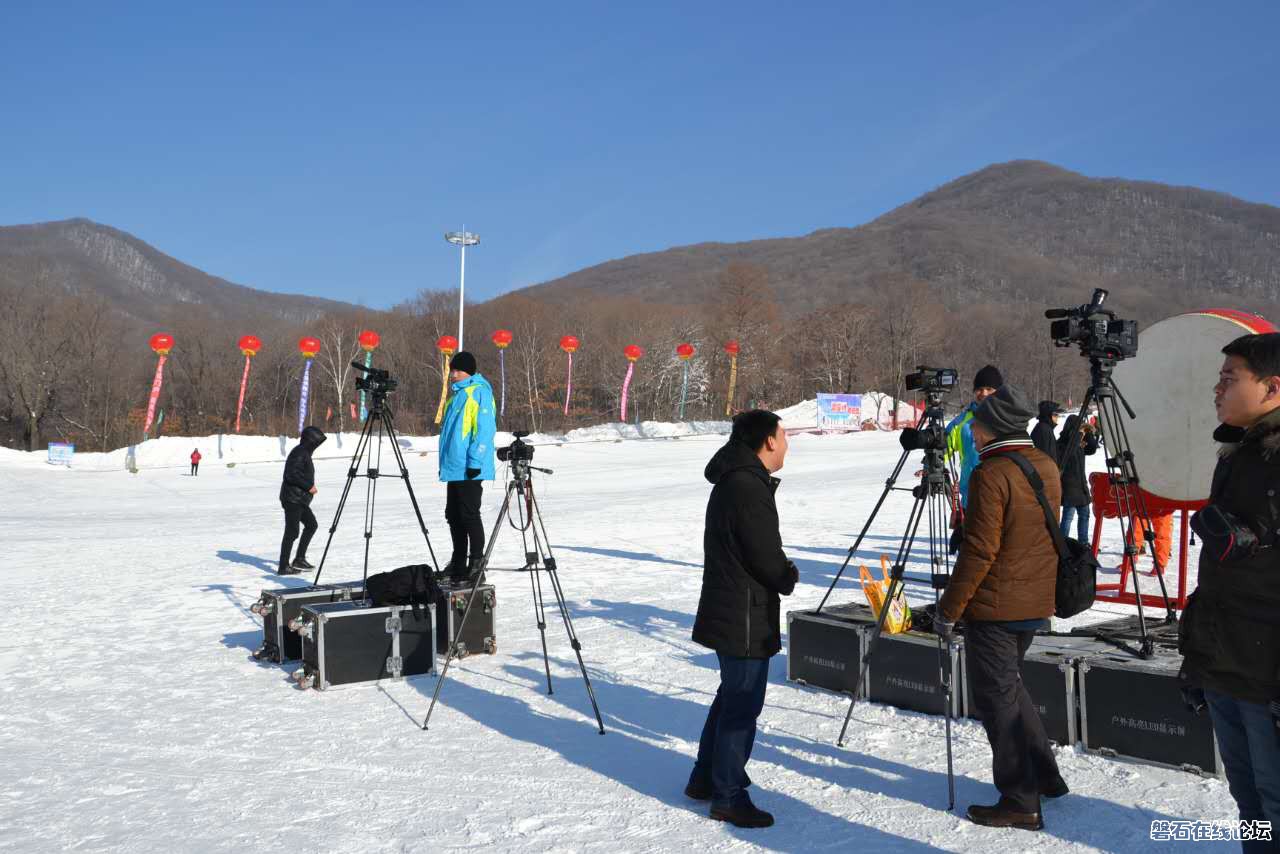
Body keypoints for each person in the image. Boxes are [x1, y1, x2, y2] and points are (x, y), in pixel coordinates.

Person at [937, 383, 1066, 831]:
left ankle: (1019, 798)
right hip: (1034, 599)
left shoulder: (990, 474)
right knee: (1011, 687)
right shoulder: (1044, 464)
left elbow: (979, 551)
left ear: (992, 428)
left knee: (997, 701)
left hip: (995, 606)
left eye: (976, 422)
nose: (971, 430)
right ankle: (1045, 776)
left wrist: (949, 609)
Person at [1180, 332, 1280, 851]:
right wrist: (1196, 656)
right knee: (1249, 802)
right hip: (1226, 662)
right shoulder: (1236, 454)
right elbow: (1216, 573)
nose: (1216, 389)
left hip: (1269, 676)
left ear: (1273, 387)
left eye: (1230, 378)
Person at [687, 410, 798, 829]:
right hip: (743, 610)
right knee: (742, 703)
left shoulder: (738, 479)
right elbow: (765, 556)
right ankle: (728, 794)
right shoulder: (747, 486)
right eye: (784, 436)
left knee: (732, 693)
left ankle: (705, 776)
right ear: (768, 441)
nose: (786, 444)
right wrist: (787, 575)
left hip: (733, 605)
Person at [437, 351, 497, 583]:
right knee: (453, 514)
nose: (453, 374)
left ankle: (476, 563)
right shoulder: (456, 396)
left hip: (470, 466)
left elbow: (484, 431)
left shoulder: (479, 393)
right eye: (452, 370)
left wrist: (475, 461)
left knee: (469, 514)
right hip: (455, 465)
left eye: (457, 370)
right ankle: (458, 561)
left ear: (468, 372)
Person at [278, 426, 326, 575]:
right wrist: (309, 486)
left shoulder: (303, 452)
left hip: (299, 499)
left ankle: (299, 559)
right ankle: (283, 566)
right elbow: (291, 474)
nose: (317, 446)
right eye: (316, 442)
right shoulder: (299, 452)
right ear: (310, 440)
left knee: (311, 525)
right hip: (292, 499)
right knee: (292, 532)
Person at [1057, 415, 1098, 541]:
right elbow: (1068, 452)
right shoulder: (1062, 442)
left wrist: (1090, 433)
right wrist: (1078, 435)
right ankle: (1063, 542)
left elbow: (1091, 449)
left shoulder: (1078, 442)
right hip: (1069, 485)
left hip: (1081, 484)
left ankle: (1083, 542)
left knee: (1084, 515)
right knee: (1068, 517)